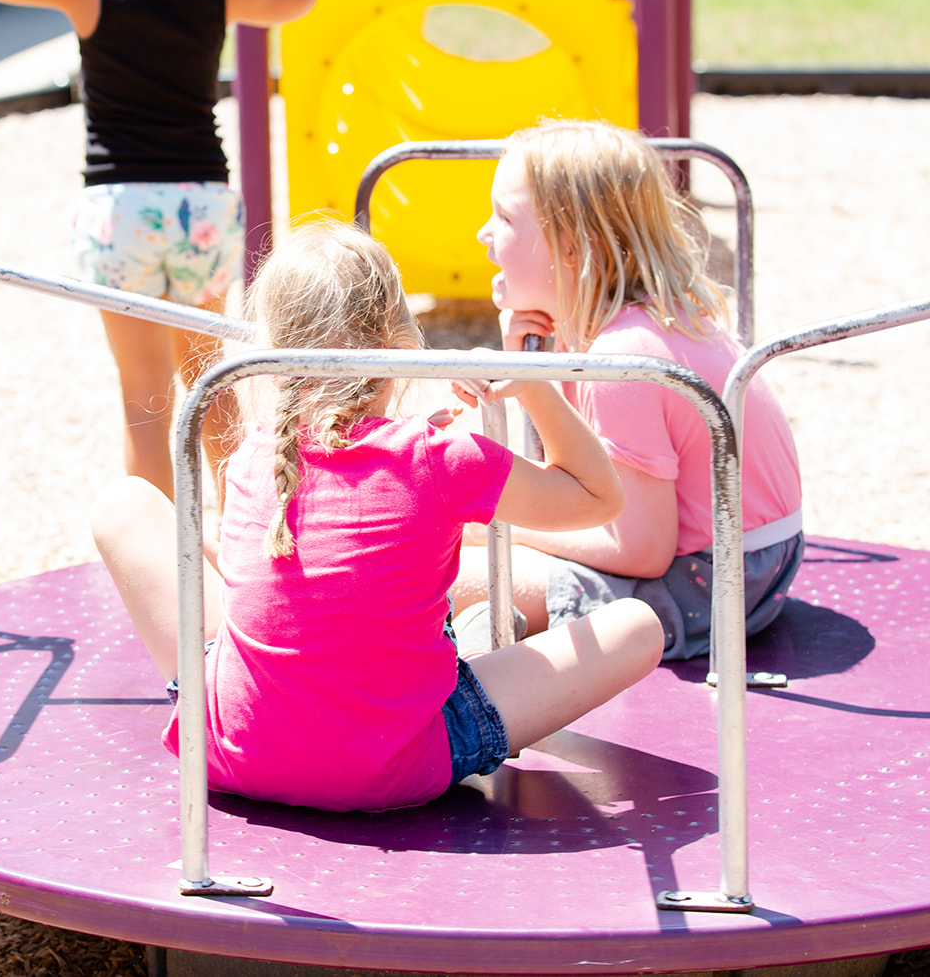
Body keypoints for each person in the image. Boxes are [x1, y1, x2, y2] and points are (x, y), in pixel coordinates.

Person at [90, 222, 662, 812]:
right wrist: (536, 388)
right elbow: (599, 499)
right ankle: (463, 651)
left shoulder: (252, 456)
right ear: (397, 340)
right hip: (393, 766)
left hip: (232, 751)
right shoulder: (441, 459)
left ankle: (440, 651)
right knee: (637, 627)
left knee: (124, 505)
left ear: (272, 349)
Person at [0, 0, 315, 502]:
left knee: (143, 398)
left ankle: (160, 561)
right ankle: (240, 538)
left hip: (120, 210)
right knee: (209, 380)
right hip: (201, 207)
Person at [453, 119, 804, 661]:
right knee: (464, 546)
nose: (483, 233)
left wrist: (505, 527)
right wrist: (529, 365)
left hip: (709, 583)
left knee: (444, 570)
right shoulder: (626, 324)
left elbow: (640, 549)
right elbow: (563, 473)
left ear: (572, 248)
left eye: (503, 217)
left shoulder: (628, 357)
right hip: (742, 561)